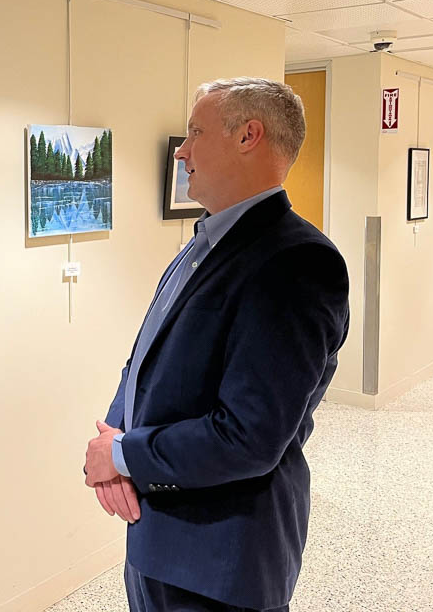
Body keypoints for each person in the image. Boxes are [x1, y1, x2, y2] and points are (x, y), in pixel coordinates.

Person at [84, 78, 350, 612]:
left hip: (222, 559)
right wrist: (115, 440)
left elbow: (248, 436)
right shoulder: (205, 244)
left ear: (249, 136)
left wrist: (122, 454)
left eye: (195, 133)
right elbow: (146, 363)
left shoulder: (296, 262)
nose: (180, 151)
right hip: (159, 537)